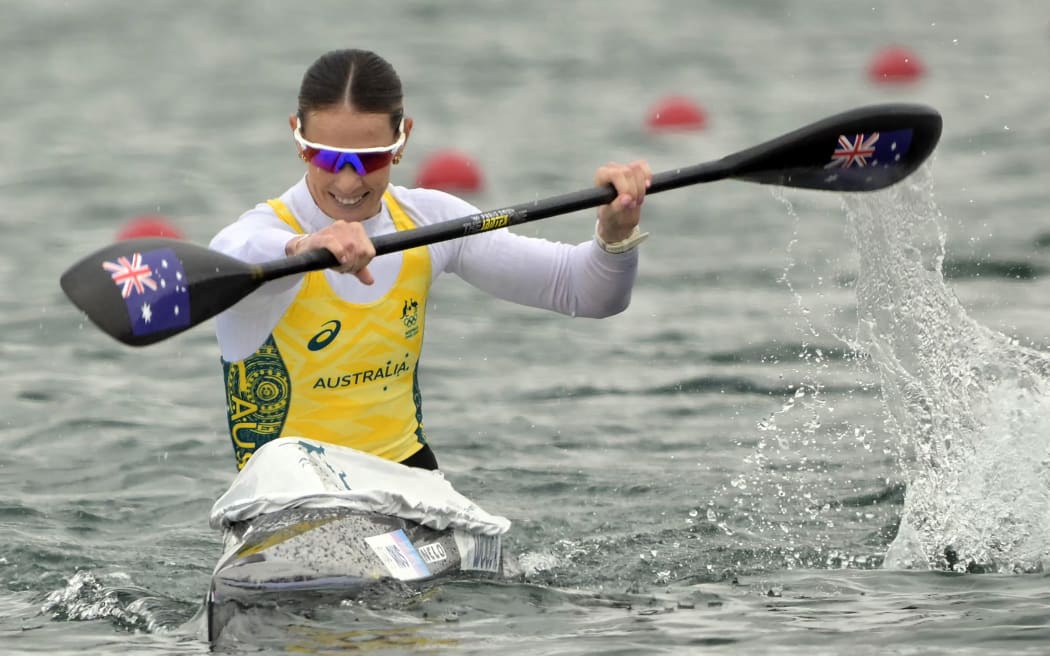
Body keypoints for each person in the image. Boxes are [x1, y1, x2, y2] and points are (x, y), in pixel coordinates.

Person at [210, 48, 652, 472]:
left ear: (401, 142)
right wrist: (303, 248)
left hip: (407, 482)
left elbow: (587, 294)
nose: (347, 181)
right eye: (326, 156)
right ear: (297, 137)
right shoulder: (262, 237)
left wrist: (616, 233)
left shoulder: (429, 221)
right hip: (285, 496)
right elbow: (226, 257)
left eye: (370, 159)